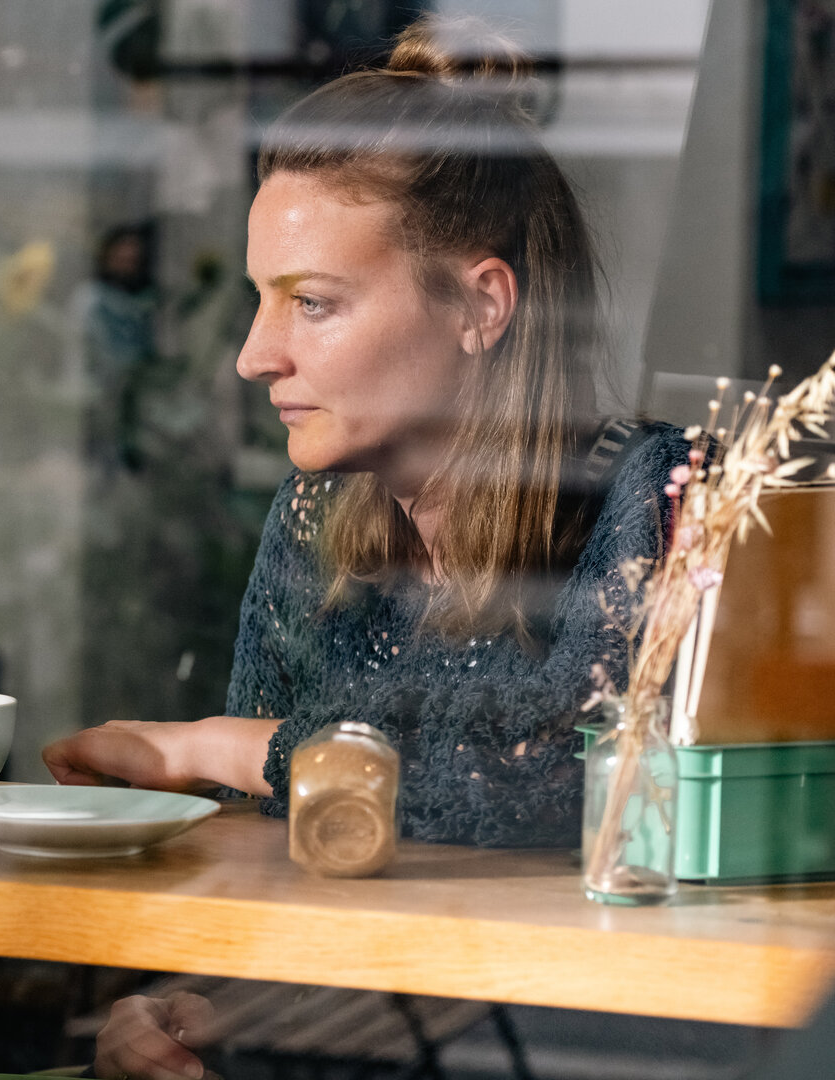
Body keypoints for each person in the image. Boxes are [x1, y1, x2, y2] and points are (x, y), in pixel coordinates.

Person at [47, 18, 689, 1076]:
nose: (257, 356)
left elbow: (550, 788)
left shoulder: (649, 499)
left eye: (313, 303)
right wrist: (174, 1007)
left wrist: (211, 748)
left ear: (482, 305)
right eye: (263, 303)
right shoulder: (315, 523)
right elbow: (270, 857)